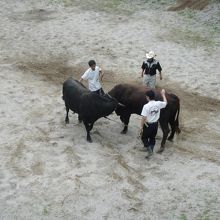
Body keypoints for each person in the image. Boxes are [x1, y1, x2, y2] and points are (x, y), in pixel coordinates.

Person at [140, 89, 167, 158]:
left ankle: (149, 150)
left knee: (144, 138)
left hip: (148, 125)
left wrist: (141, 127)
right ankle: (151, 150)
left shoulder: (146, 106)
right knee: (152, 138)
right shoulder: (158, 103)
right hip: (155, 124)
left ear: (148, 97)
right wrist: (163, 94)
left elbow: (143, 118)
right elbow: (165, 103)